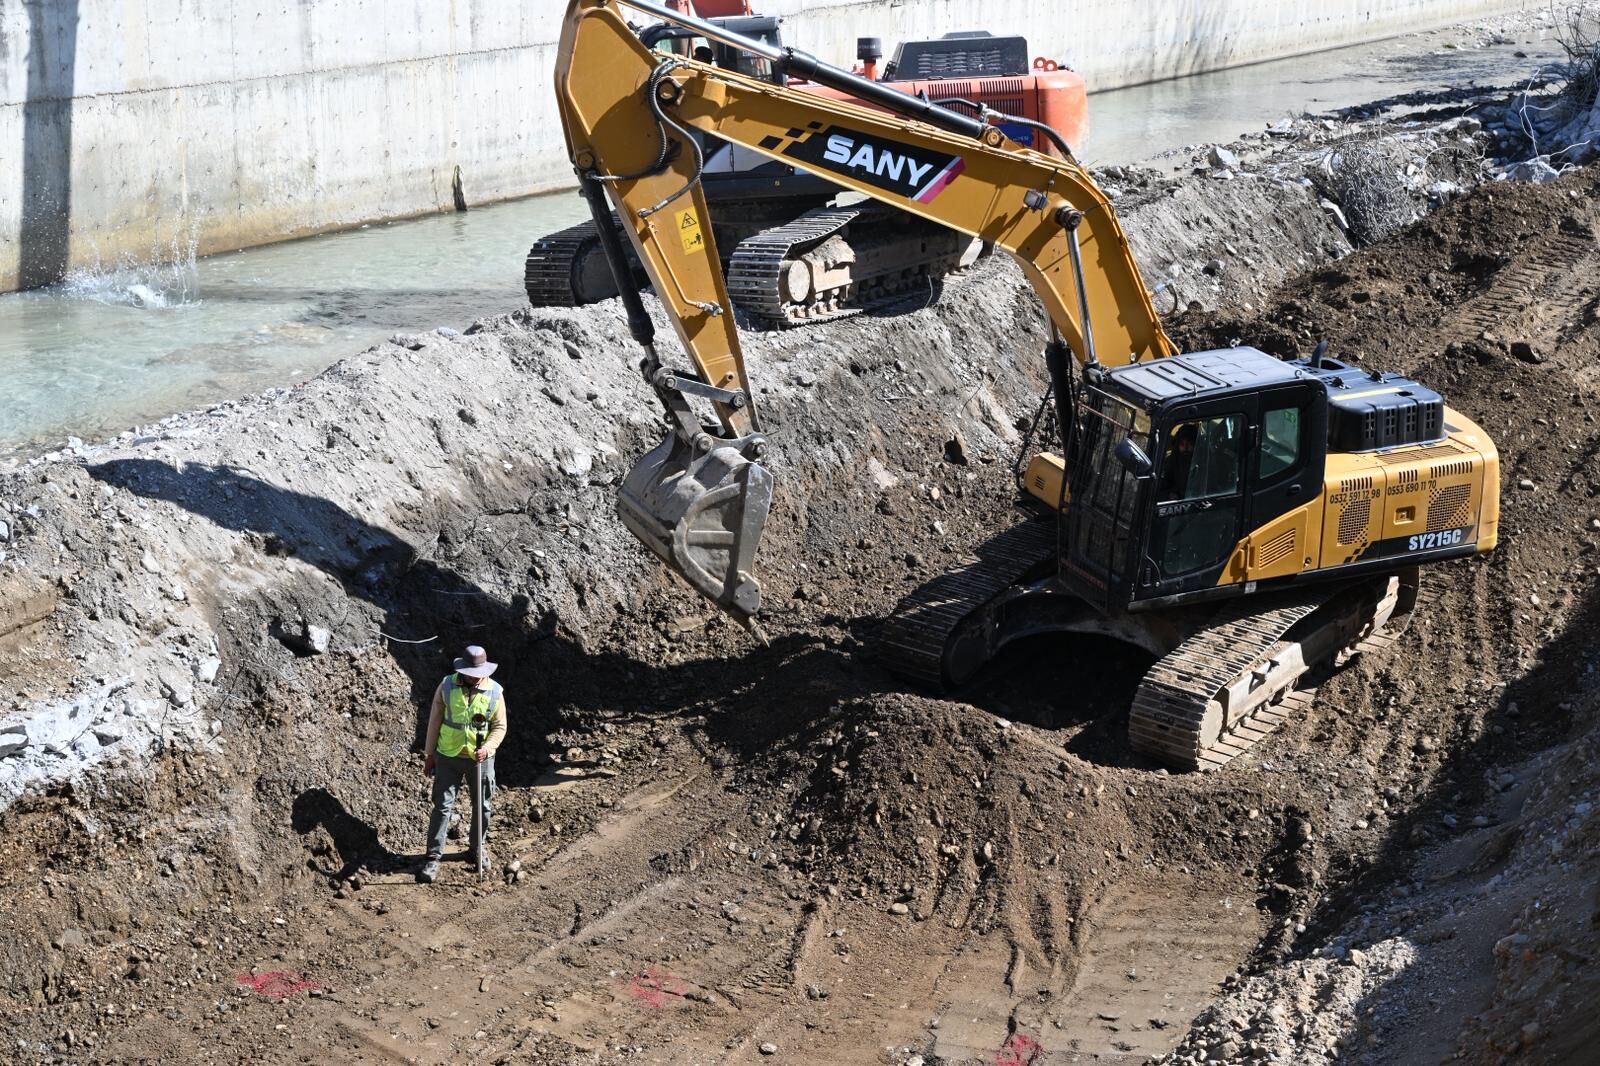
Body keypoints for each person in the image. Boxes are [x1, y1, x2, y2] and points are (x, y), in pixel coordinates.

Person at [418, 645, 507, 884]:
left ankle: (477, 848)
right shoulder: (446, 686)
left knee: (482, 805)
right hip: (448, 755)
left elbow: (500, 726)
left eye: (478, 674)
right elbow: (435, 721)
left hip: (480, 759)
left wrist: (487, 748)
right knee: (442, 806)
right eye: (471, 673)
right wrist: (429, 755)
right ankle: (433, 857)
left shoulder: (495, 691)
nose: (475, 677)